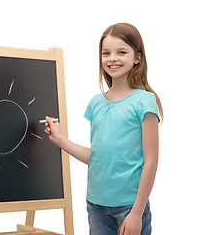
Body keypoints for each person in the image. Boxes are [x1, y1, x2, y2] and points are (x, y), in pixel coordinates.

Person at [44, 23, 163, 235]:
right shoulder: (96, 104)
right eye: (106, 53)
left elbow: (151, 162)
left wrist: (136, 213)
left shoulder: (144, 101)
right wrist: (60, 139)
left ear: (138, 57)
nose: (112, 58)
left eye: (121, 52)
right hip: (96, 204)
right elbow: (97, 156)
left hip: (130, 206)